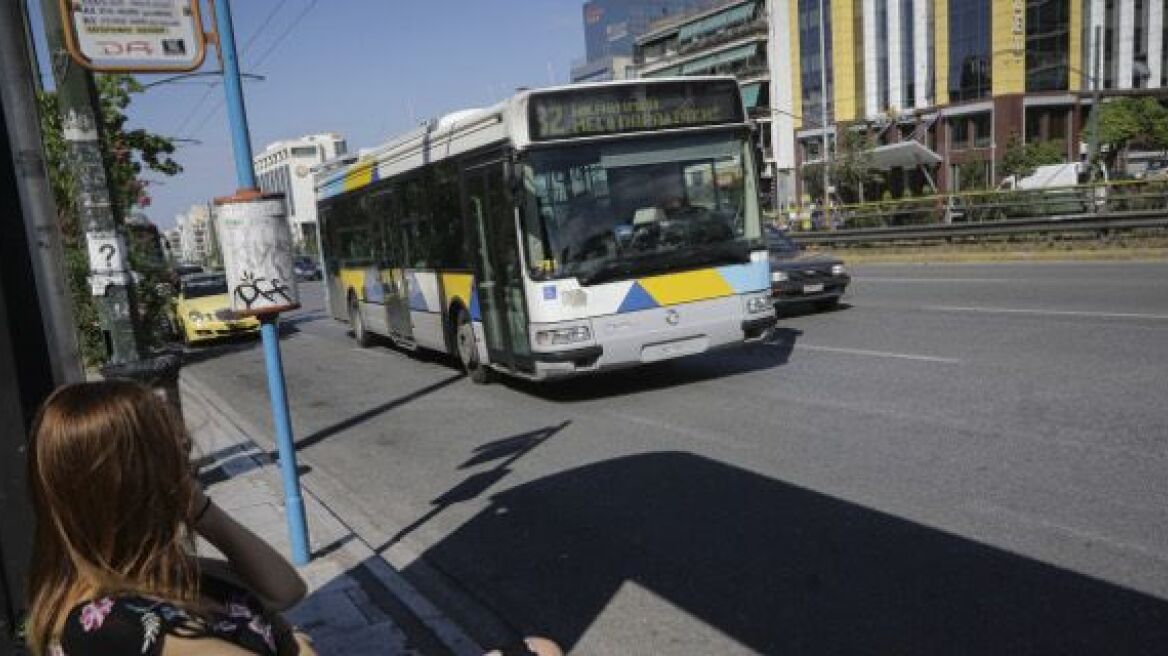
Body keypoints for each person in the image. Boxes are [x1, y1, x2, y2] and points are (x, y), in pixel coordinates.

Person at [25, 380, 313, 655]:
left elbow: (286, 591)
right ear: (129, 482)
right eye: (168, 445)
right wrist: (295, 642)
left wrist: (201, 510)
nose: (185, 446)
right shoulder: (118, 625)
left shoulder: (161, 575)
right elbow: (282, 610)